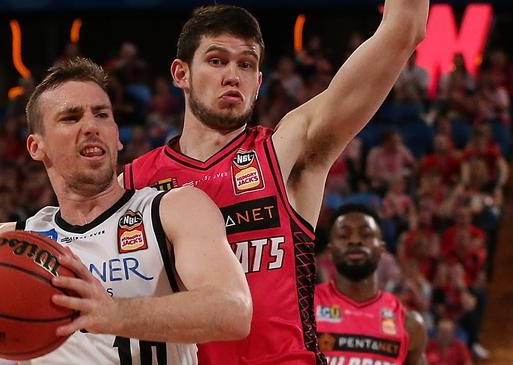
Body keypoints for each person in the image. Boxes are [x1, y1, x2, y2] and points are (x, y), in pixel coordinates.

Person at [123, 2, 429, 363]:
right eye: (217, 60)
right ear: (181, 73)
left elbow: (404, 29)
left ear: (259, 82)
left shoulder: (284, 153)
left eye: (246, 65)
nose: (233, 75)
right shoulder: (134, 182)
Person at [0, 58, 252, 365]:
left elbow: (234, 310)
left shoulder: (172, 209)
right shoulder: (4, 240)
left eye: (102, 114)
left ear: (117, 137)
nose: (92, 125)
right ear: (37, 147)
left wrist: (113, 314)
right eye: (71, 117)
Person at [315, 204, 427, 365]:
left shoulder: (409, 324)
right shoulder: (303, 312)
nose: (355, 241)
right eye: (344, 236)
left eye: (366, 234)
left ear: (381, 248)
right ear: (330, 251)